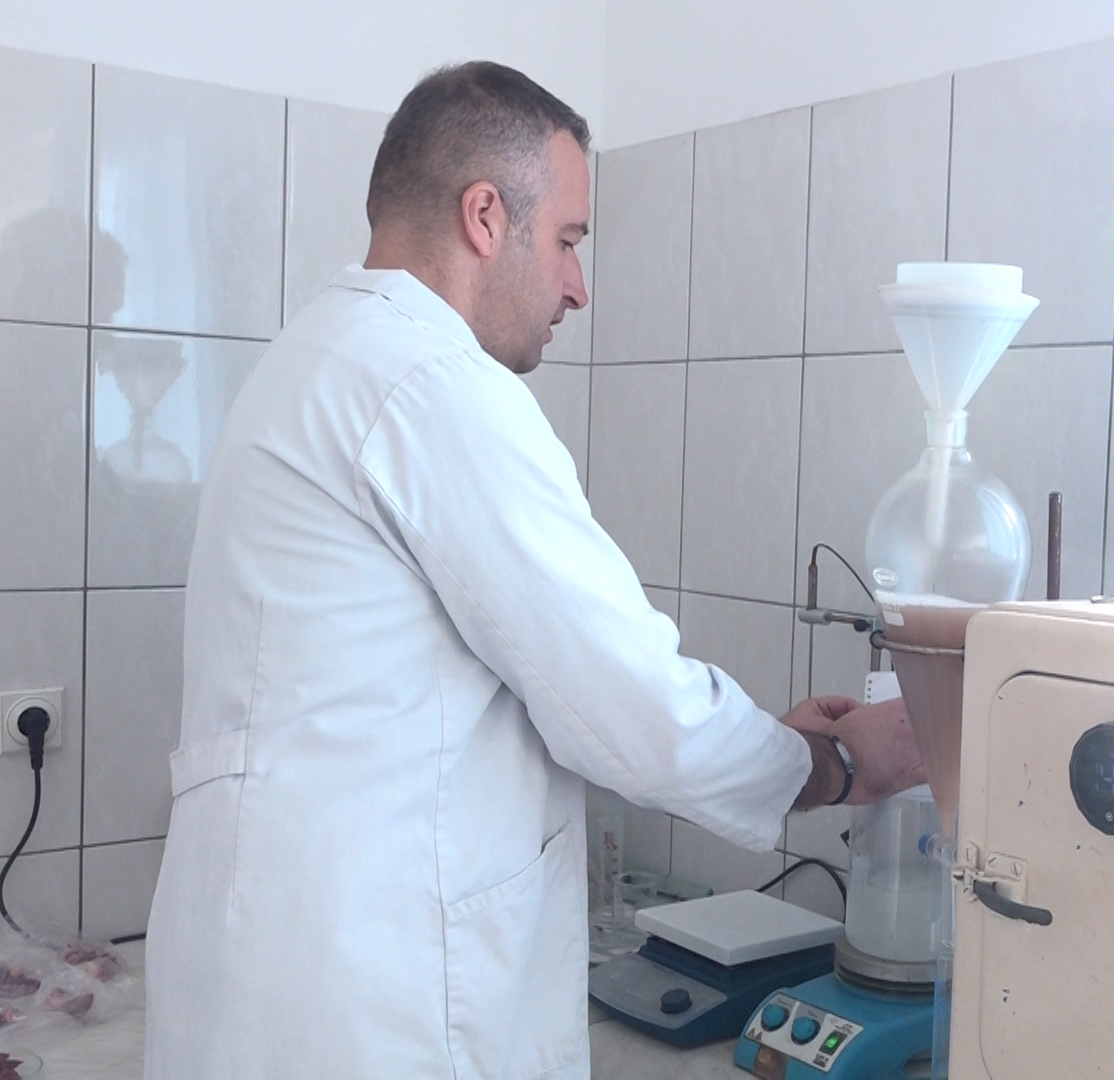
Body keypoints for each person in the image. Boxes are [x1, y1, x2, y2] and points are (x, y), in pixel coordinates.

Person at [143, 61, 925, 1078]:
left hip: (277, 975)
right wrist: (838, 766)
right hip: (375, 1004)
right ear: (484, 217)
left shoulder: (319, 358)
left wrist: (763, 746)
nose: (578, 286)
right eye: (566, 240)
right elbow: (632, 706)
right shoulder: (432, 384)